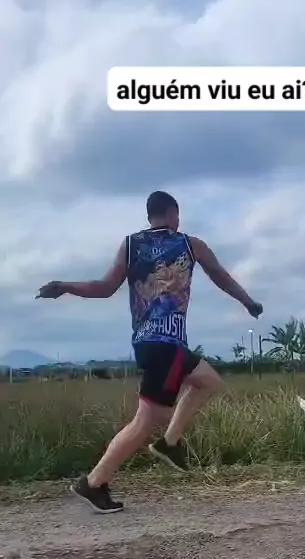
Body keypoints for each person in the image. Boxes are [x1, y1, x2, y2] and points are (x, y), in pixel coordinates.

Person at [36, 190, 263, 513]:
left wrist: (64, 286)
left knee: (208, 382)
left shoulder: (130, 245)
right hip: (165, 345)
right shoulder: (191, 244)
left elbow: (104, 288)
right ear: (173, 213)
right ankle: (97, 481)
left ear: (149, 216)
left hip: (149, 343)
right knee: (144, 421)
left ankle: (168, 444)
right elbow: (221, 277)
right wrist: (248, 301)